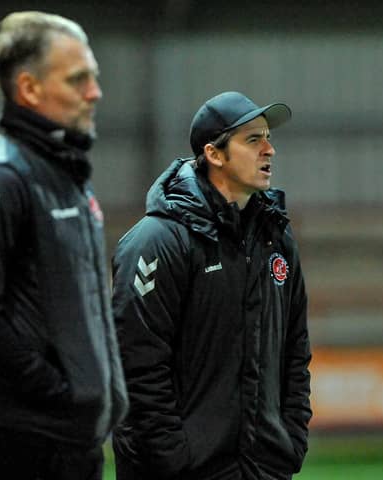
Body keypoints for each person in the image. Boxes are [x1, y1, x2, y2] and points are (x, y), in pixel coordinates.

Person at [0, 11, 128, 480]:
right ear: (29, 89)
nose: (95, 92)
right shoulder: (0, 180)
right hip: (24, 440)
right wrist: (57, 390)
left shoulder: (63, 175)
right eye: (78, 80)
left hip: (67, 438)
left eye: (94, 77)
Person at [111, 91, 312, 479]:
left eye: (268, 137)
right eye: (253, 139)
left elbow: (295, 349)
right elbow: (136, 364)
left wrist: (289, 440)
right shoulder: (157, 241)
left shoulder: (277, 240)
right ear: (215, 154)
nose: (269, 150)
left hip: (262, 469)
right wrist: (174, 458)